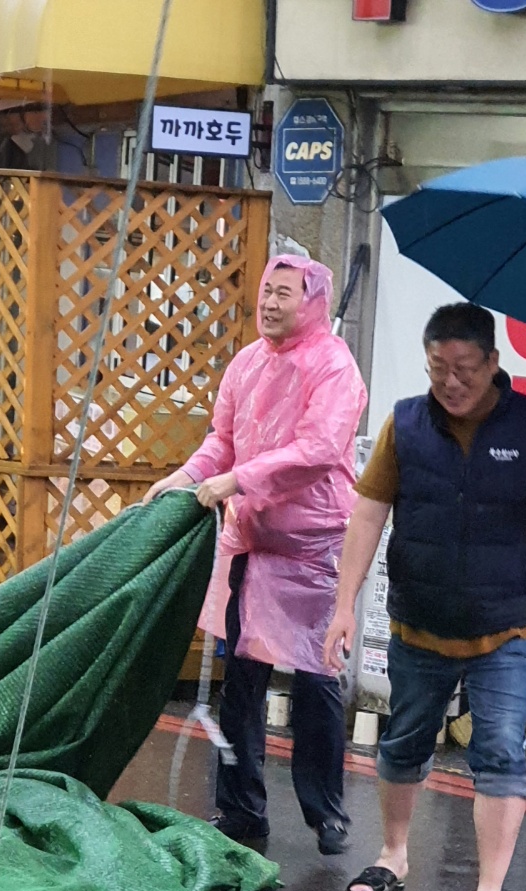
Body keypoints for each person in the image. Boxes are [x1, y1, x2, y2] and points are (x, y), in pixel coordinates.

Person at [323, 302, 526, 891]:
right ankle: (392, 856)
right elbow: (368, 514)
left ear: (493, 362)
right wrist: (343, 604)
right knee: (405, 741)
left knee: (499, 748)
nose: (450, 381)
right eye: (437, 367)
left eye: (464, 368)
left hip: (507, 627)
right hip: (422, 620)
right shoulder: (406, 424)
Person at [147, 256, 368, 854]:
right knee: (242, 681)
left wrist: (238, 479)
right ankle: (242, 809)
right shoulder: (246, 363)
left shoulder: (334, 366)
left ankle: (327, 813)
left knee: (317, 679)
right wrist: (185, 476)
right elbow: (221, 440)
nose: (269, 303)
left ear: (312, 302)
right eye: (266, 291)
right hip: (250, 541)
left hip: (314, 545)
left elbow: (319, 449)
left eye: (283, 293)